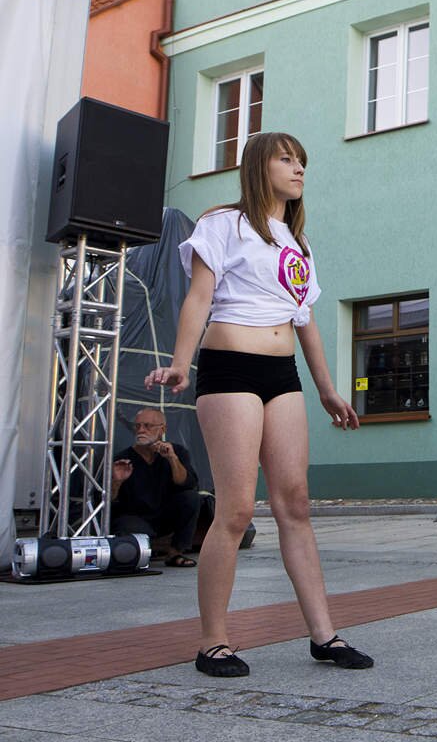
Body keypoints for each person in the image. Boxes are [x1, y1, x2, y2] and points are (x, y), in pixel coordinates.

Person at [145, 132, 374, 678]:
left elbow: (306, 322)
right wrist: (181, 362)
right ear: (258, 166)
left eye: (302, 161)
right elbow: (199, 297)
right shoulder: (223, 223)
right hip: (230, 369)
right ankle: (213, 642)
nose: (299, 169)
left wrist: (327, 389)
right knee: (237, 509)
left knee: (296, 504)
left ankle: (325, 635)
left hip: (282, 374)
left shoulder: (298, 243)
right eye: (286, 159)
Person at [110, 407, 201, 567]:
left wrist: (172, 458)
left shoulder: (176, 451)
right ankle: (146, 550)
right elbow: (108, 501)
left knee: (192, 498)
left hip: (163, 514)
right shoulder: (122, 458)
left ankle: (175, 553)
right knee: (133, 528)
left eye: (147, 426)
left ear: (162, 429)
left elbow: (186, 483)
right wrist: (117, 481)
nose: (141, 430)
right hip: (134, 516)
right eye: (137, 426)